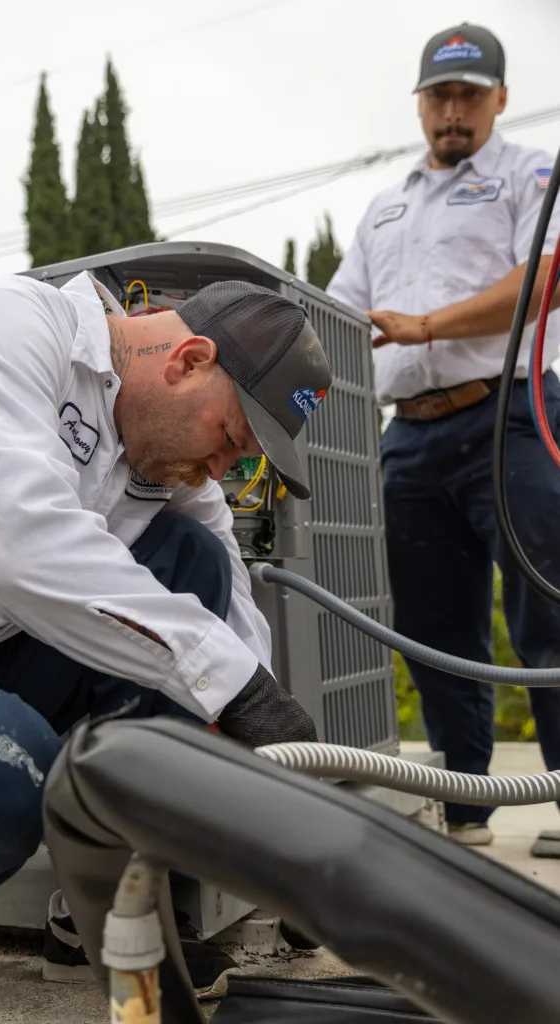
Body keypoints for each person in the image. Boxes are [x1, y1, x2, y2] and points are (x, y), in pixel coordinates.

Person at [0, 271, 331, 1016]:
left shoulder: (157, 451)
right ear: (188, 360)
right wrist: (237, 691)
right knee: (1, 760)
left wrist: (280, 787)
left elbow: (230, 617)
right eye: (231, 438)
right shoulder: (0, 327)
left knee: (191, 559)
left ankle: (114, 911)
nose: (225, 469)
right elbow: (17, 555)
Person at [328, 22, 560, 850]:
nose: (452, 111)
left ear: (499, 99)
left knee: (546, 614)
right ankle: (462, 808)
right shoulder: (385, 206)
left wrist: (426, 326)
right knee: (430, 630)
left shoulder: (529, 175)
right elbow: (337, 310)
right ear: (420, 104)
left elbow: (544, 276)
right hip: (410, 438)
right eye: (439, 96)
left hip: (509, 417)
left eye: (468, 95)